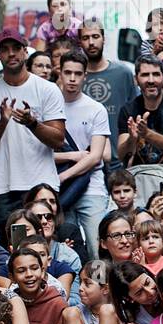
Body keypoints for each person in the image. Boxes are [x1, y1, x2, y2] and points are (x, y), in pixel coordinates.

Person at [0, 27, 67, 243]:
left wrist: (32, 123)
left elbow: (58, 139)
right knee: (13, 249)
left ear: (25, 51)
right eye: (5, 50)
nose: (11, 53)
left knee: (44, 244)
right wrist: (2, 122)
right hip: (3, 188)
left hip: (41, 185)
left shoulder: (47, 89)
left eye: (16, 48)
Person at [117, 56, 163, 206]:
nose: (151, 80)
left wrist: (146, 134)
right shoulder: (128, 109)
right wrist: (132, 138)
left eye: (156, 74)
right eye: (145, 75)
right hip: (140, 186)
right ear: (136, 79)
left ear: (162, 77)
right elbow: (121, 154)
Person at [54, 49, 110, 253]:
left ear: (85, 75)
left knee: (98, 248)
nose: (72, 78)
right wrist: (71, 157)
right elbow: (40, 154)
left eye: (78, 74)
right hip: (62, 189)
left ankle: (100, 284)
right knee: (66, 248)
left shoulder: (96, 109)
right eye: (67, 72)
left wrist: (63, 175)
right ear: (59, 72)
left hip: (91, 186)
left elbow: (96, 156)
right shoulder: (49, 107)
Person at [78, 19, 137, 168]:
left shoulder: (123, 73)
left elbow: (135, 114)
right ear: (80, 42)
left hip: (120, 161)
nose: (91, 42)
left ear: (104, 39)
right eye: (86, 38)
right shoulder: (75, 77)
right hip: (84, 161)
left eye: (95, 36)